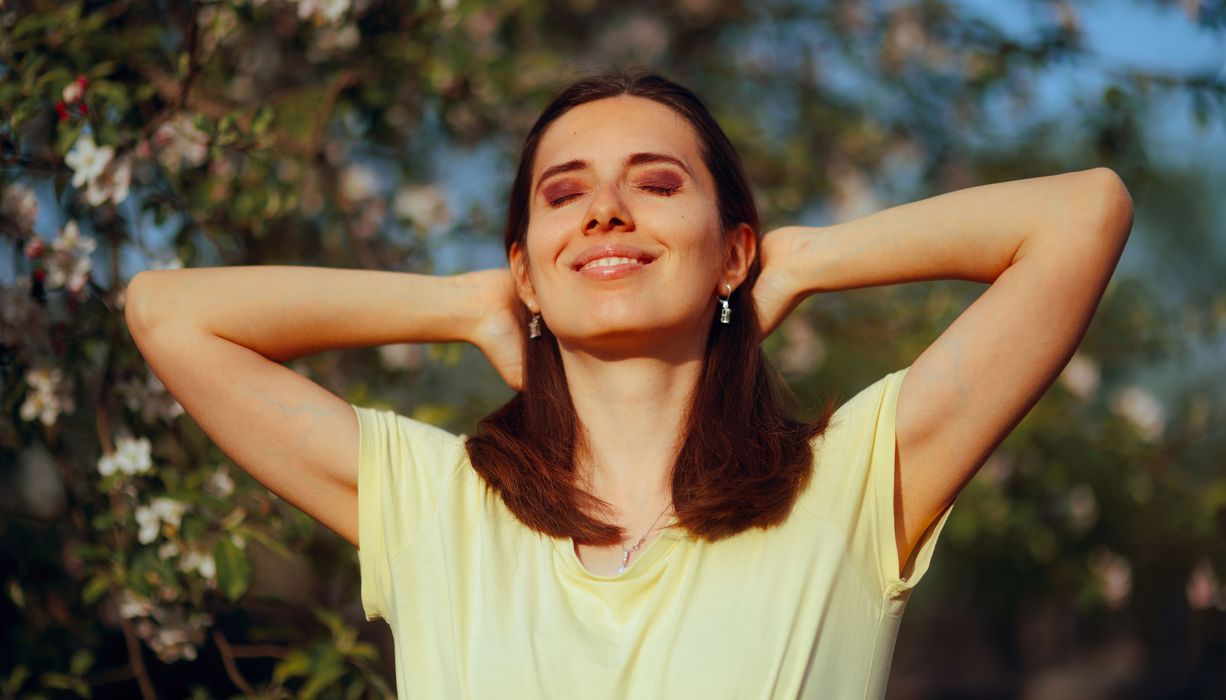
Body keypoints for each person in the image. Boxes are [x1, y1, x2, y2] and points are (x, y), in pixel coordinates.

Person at [125, 69, 1133, 698]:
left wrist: (802, 257)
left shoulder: (855, 485)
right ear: (525, 264)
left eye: (655, 183)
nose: (604, 210)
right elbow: (169, 311)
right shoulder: (433, 506)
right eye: (563, 194)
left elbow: (1080, 215)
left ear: (729, 250)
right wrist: (463, 305)